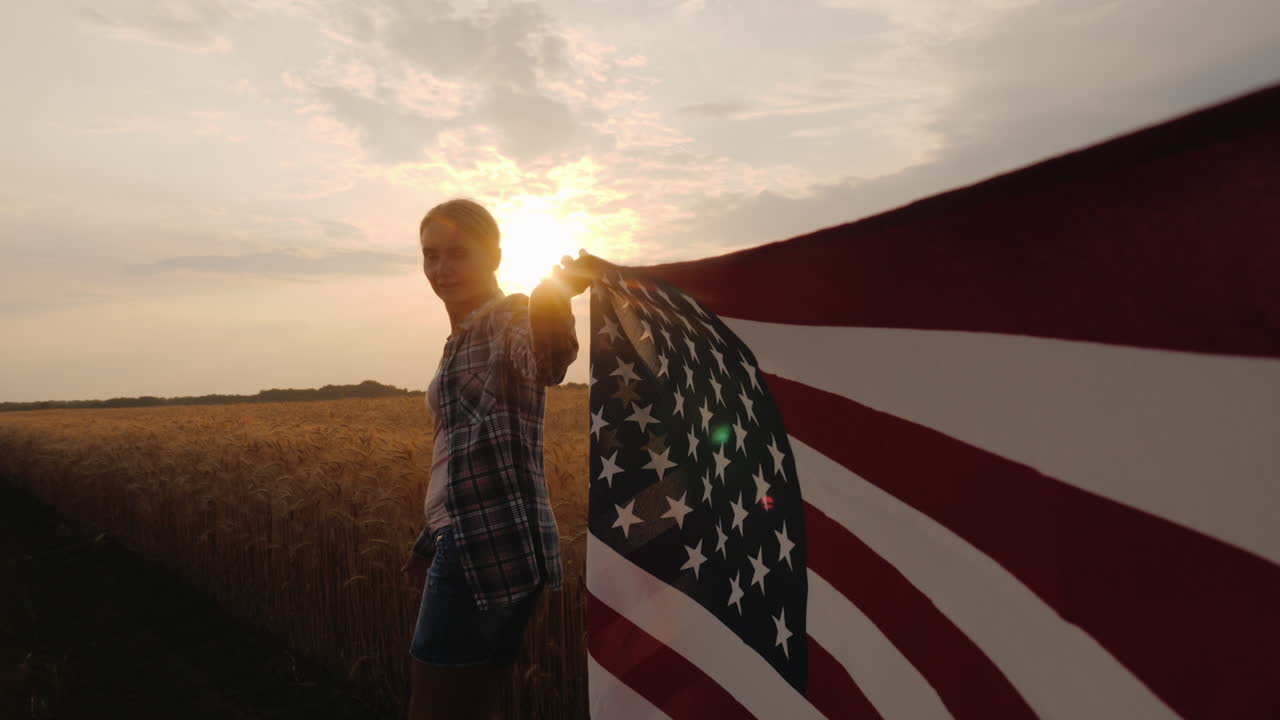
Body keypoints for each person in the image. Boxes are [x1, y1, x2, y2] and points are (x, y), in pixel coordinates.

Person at [398, 198, 596, 720]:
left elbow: (547, 360)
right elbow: (462, 453)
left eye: (457, 254)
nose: (441, 269)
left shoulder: (508, 318)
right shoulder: (458, 340)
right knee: (475, 706)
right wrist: (428, 538)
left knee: (432, 705)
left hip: (482, 545)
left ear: (495, 257)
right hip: (480, 538)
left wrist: (552, 297)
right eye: (430, 255)